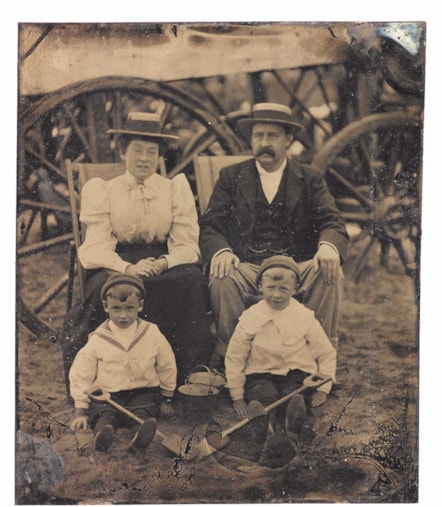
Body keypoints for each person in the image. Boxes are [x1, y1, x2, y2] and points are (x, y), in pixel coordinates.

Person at [61, 112, 213, 389]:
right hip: (117, 261)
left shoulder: (173, 189)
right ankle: (106, 377)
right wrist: (128, 269)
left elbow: (188, 245)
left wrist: (165, 263)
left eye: (151, 152)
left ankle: (184, 375)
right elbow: (94, 248)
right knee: (108, 288)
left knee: (191, 279)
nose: (144, 158)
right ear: (122, 153)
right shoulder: (104, 190)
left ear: (159, 156)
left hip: (163, 260)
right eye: (137, 151)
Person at [199, 102, 349, 366]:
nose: (264, 143)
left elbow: (332, 221)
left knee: (330, 272)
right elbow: (211, 224)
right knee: (222, 276)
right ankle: (232, 359)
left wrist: (328, 247)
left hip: (296, 266)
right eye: (258, 136)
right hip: (246, 266)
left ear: (288, 140)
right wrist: (222, 251)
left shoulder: (309, 178)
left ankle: (321, 359)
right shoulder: (231, 177)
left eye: (273, 136)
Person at [224, 256, 336, 466]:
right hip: (260, 374)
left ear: (295, 289)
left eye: (284, 289)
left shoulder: (303, 316)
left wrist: (324, 388)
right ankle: (263, 423)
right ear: (260, 287)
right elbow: (235, 356)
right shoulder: (251, 316)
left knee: (297, 396)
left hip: (297, 373)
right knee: (263, 395)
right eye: (271, 288)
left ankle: (295, 424)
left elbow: (326, 353)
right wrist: (237, 395)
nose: (276, 295)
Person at [69, 273, 177, 454]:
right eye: (116, 309)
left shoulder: (151, 333)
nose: (123, 316)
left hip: (142, 391)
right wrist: (81, 409)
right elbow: (82, 372)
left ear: (140, 306)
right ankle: (103, 434)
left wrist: (167, 396)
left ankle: (139, 437)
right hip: (109, 394)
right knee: (104, 413)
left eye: (129, 308)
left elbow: (167, 364)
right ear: (106, 307)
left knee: (142, 411)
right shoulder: (99, 338)